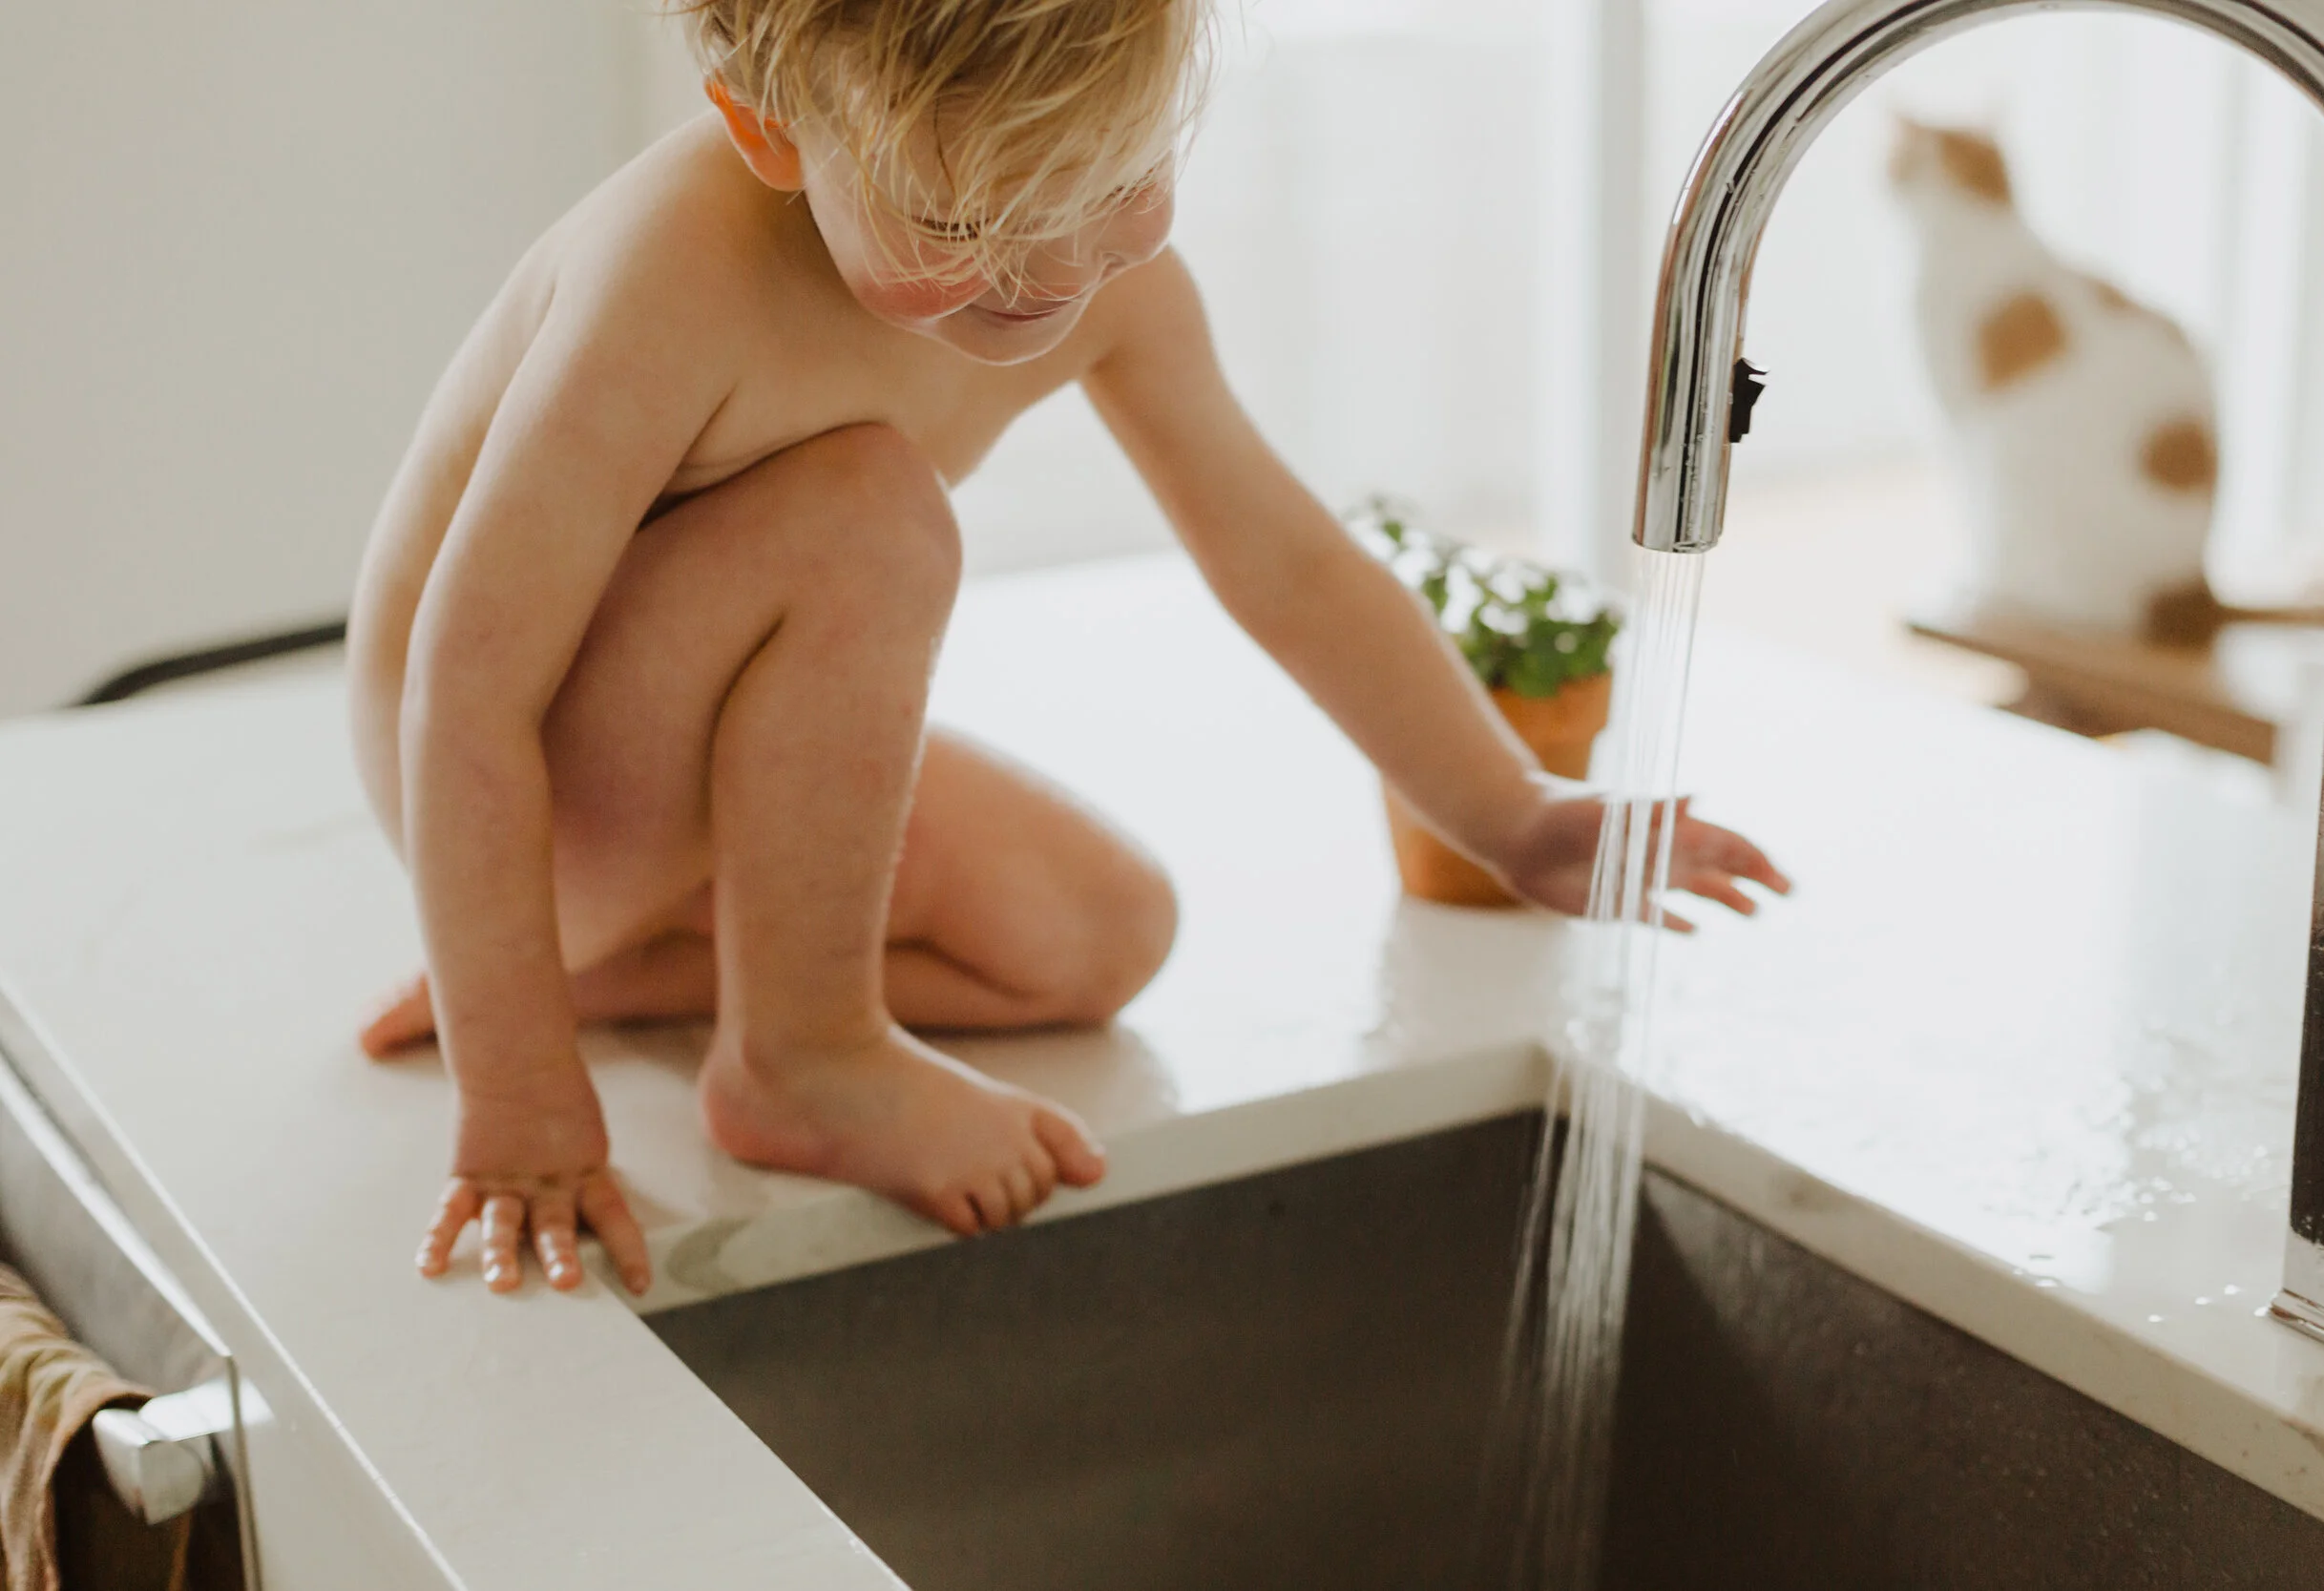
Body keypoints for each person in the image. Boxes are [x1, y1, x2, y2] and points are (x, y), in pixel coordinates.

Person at [345, 0, 1791, 1298]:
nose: (1042, 273)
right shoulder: (671, 279)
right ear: (767, 128)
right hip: (524, 793)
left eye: (1115, 181)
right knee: (868, 514)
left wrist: (1507, 811)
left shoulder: (1100, 274)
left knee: (1098, 933)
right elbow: (466, 692)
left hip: (670, 795)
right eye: (961, 224)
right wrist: (519, 1090)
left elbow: (1282, 558)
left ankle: (641, 975)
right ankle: (800, 1052)